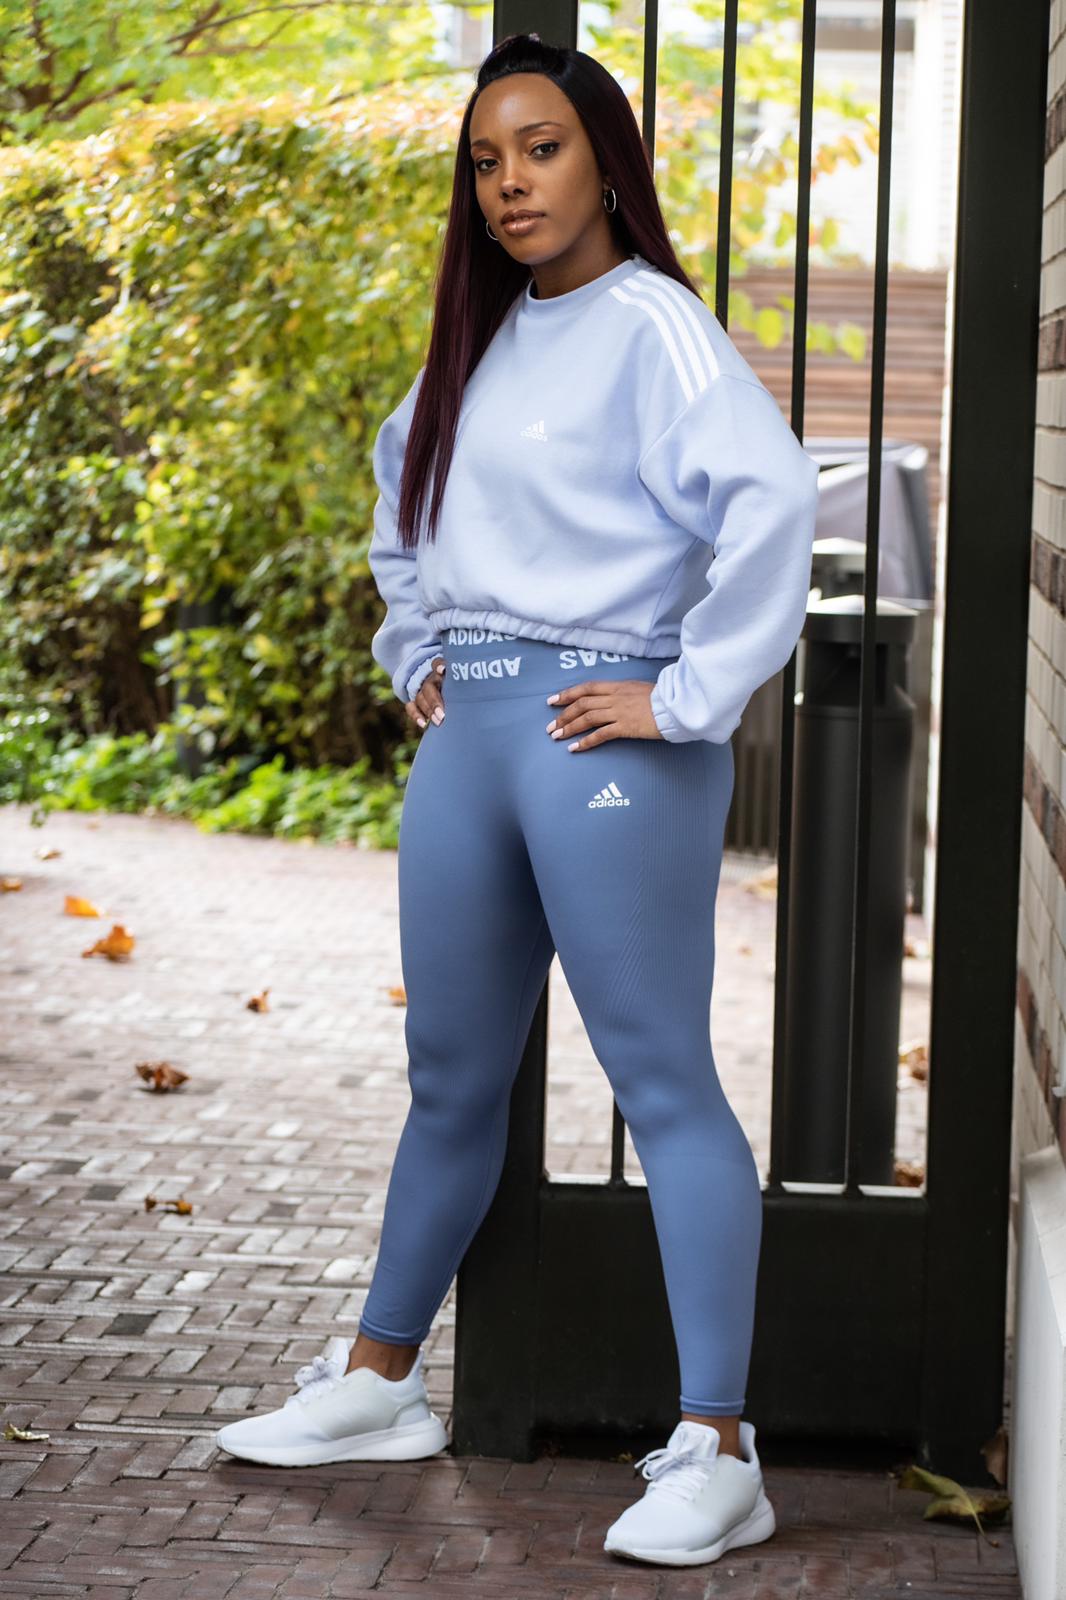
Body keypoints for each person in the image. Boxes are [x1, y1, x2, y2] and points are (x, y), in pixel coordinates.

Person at [215, 31, 820, 1570]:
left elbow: (772, 501)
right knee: (449, 1075)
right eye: (485, 160)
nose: (509, 183)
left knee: (659, 1077)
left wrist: (684, 695)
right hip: (470, 739)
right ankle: (380, 1380)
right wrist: (416, 647)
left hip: (601, 739)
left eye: (539, 148)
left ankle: (717, 1447)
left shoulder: (654, 326)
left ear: (603, 161)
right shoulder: (476, 342)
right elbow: (403, 500)